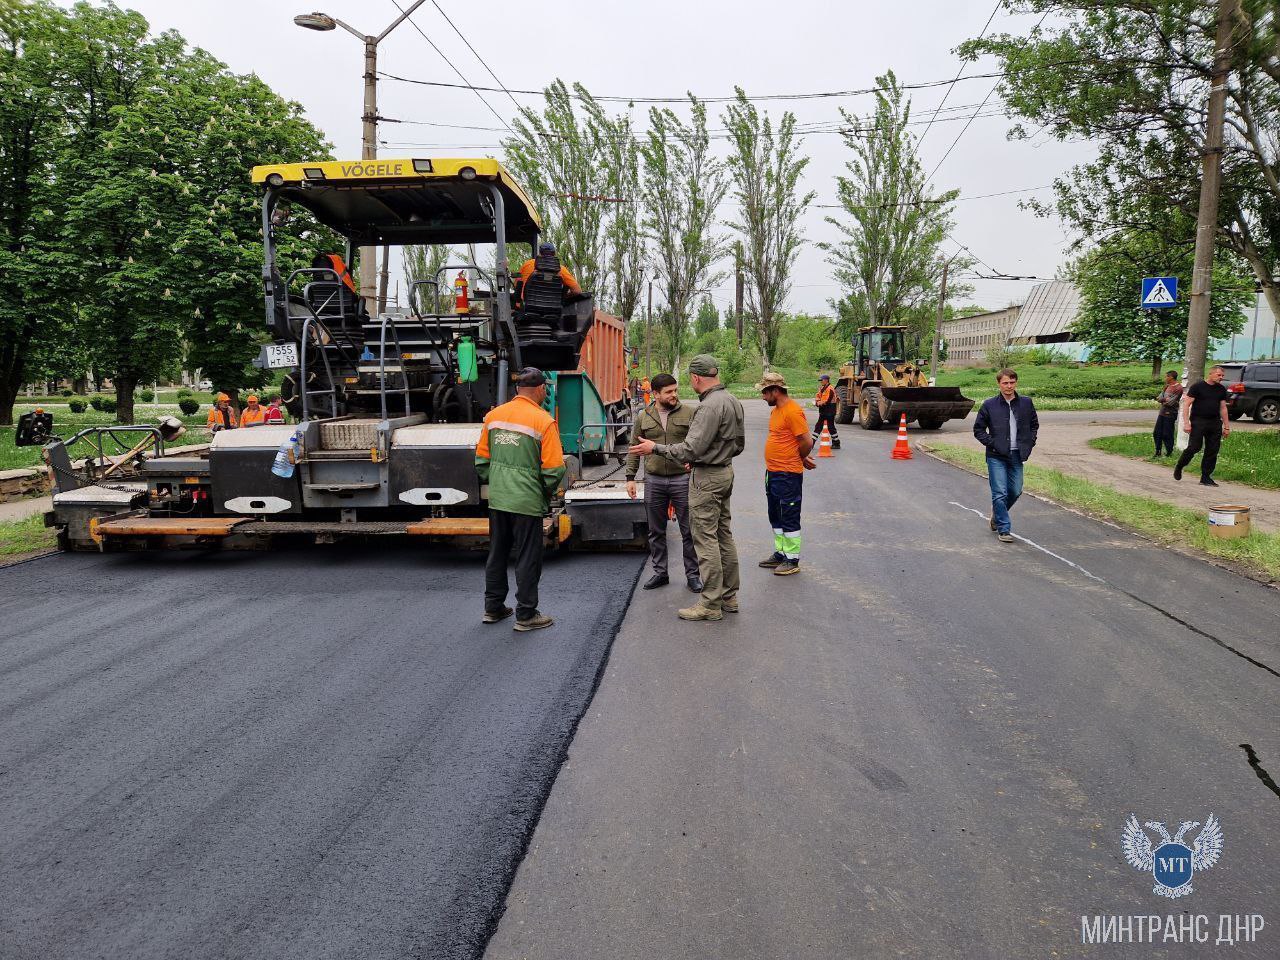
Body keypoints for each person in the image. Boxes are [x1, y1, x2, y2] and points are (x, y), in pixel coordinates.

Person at [629, 354, 745, 622]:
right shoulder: (732, 401)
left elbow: (690, 449)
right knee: (723, 535)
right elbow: (738, 445)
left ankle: (710, 603)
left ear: (695, 378)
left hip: (706, 477)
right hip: (724, 472)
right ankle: (729, 596)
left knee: (704, 539)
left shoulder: (706, 408)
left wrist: (655, 448)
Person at [475, 367, 566, 632]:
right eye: (545, 389)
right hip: (526, 501)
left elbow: (482, 461)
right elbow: (554, 469)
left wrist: (498, 484)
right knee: (528, 557)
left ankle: (493, 608)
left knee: (497, 553)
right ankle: (526, 614)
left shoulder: (493, 417)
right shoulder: (543, 421)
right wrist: (543, 492)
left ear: (517, 390)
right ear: (540, 389)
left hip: (499, 499)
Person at [624, 373, 701, 593]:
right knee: (656, 531)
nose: (674, 395)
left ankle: (693, 575)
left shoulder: (690, 413)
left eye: (675, 390)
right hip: (654, 480)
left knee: (689, 531)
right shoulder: (644, 416)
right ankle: (660, 573)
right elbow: (634, 449)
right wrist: (630, 478)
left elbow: (697, 444)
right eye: (669, 392)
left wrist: (695, 463)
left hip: (682, 479)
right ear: (655, 394)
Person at [758, 372, 816, 576]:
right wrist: (801, 456)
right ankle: (781, 553)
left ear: (775, 390)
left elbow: (807, 441)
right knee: (775, 514)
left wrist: (800, 458)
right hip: (773, 472)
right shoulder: (776, 411)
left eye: (765, 392)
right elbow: (790, 441)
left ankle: (792, 559)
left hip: (787, 474)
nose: (763, 397)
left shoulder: (792, 411)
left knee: (789, 515)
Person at [973, 368, 1039, 543]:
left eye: (1012, 382)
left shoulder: (1026, 403)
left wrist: (1030, 443)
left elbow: (1034, 425)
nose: (1009, 386)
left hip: (1017, 454)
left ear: (1016, 382)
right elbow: (978, 429)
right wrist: (993, 443)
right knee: (999, 493)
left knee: (1016, 490)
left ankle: (997, 515)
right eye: (1005, 383)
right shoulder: (989, 405)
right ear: (999, 384)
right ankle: (1004, 529)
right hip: (996, 455)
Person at [1174, 364, 1231, 486]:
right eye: (1219, 375)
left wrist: (1226, 426)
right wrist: (1186, 423)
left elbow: (1223, 408)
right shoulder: (1198, 387)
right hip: (1199, 421)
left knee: (1212, 450)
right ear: (1210, 374)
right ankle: (1180, 465)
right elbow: (1186, 405)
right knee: (1194, 447)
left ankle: (1206, 477)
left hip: (1215, 422)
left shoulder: (1221, 389)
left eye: (1222, 375)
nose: (1221, 377)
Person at [515, 242, 581, 306]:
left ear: (539, 253)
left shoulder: (527, 264)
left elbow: (517, 285)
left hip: (526, 308)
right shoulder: (561, 269)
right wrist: (562, 297)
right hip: (553, 310)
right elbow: (577, 291)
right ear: (554, 254)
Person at [1153, 371, 1182, 457]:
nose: (1165, 378)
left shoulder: (1179, 388)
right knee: (1157, 433)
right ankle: (1158, 451)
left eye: (1166, 377)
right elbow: (1159, 398)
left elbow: (1170, 402)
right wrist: (1164, 399)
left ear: (1171, 377)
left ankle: (1169, 452)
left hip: (1170, 413)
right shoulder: (1167, 386)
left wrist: (1164, 399)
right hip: (1162, 412)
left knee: (1167, 433)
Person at [812, 374, 840, 449]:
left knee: (829, 427)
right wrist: (818, 402)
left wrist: (818, 403)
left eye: (822, 380)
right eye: (820, 380)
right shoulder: (821, 388)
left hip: (829, 410)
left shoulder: (830, 389)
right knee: (820, 426)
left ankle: (836, 443)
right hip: (824, 410)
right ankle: (836, 443)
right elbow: (818, 396)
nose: (821, 382)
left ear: (826, 380)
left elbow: (826, 401)